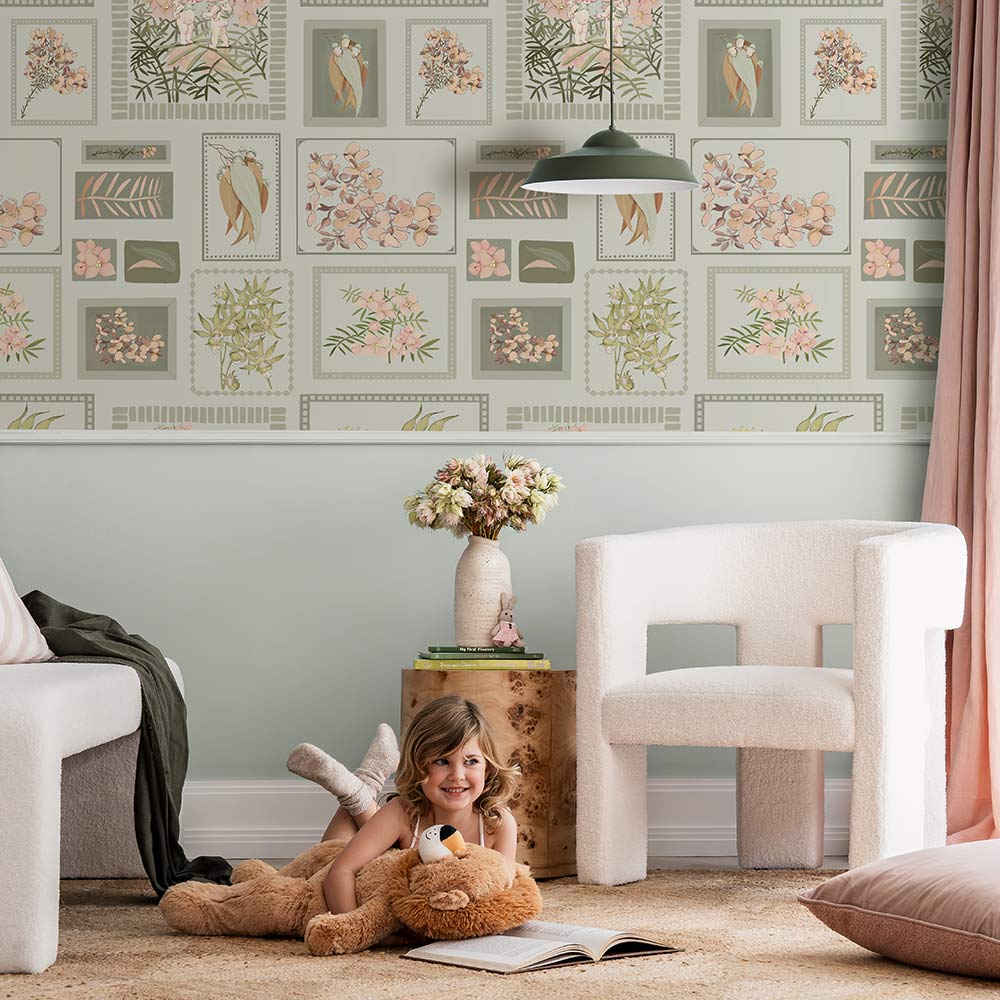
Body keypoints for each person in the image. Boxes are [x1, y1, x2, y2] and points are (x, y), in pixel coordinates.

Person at [286, 695, 519, 914]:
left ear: (488, 769)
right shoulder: (403, 812)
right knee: (327, 859)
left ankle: (361, 788)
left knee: (365, 833)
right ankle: (355, 793)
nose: (457, 775)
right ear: (418, 765)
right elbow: (339, 872)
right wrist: (355, 925)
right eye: (442, 761)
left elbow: (504, 900)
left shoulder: (497, 824)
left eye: (471, 761)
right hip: (376, 882)